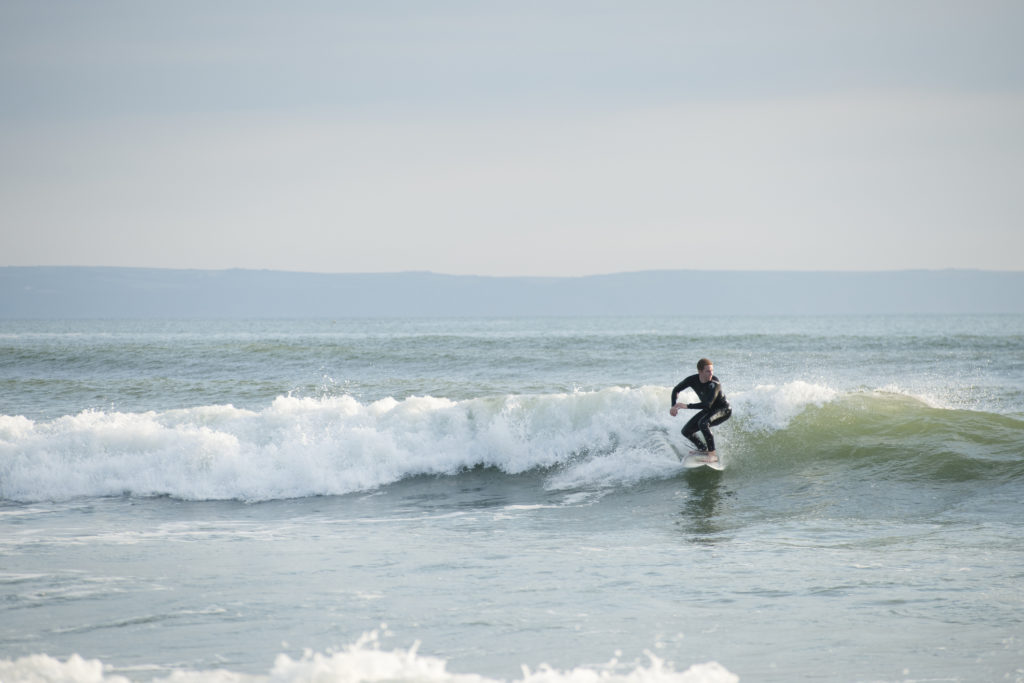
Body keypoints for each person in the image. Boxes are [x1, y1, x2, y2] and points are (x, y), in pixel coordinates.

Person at [670, 358, 732, 461]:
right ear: (700, 371)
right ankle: (703, 449)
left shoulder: (714, 383)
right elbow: (676, 389)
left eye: (712, 370)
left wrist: (686, 406)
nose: (711, 373)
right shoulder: (692, 380)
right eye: (708, 371)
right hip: (710, 410)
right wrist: (673, 406)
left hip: (723, 410)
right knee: (686, 431)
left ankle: (712, 454)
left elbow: (707, 404)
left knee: (703, 423)